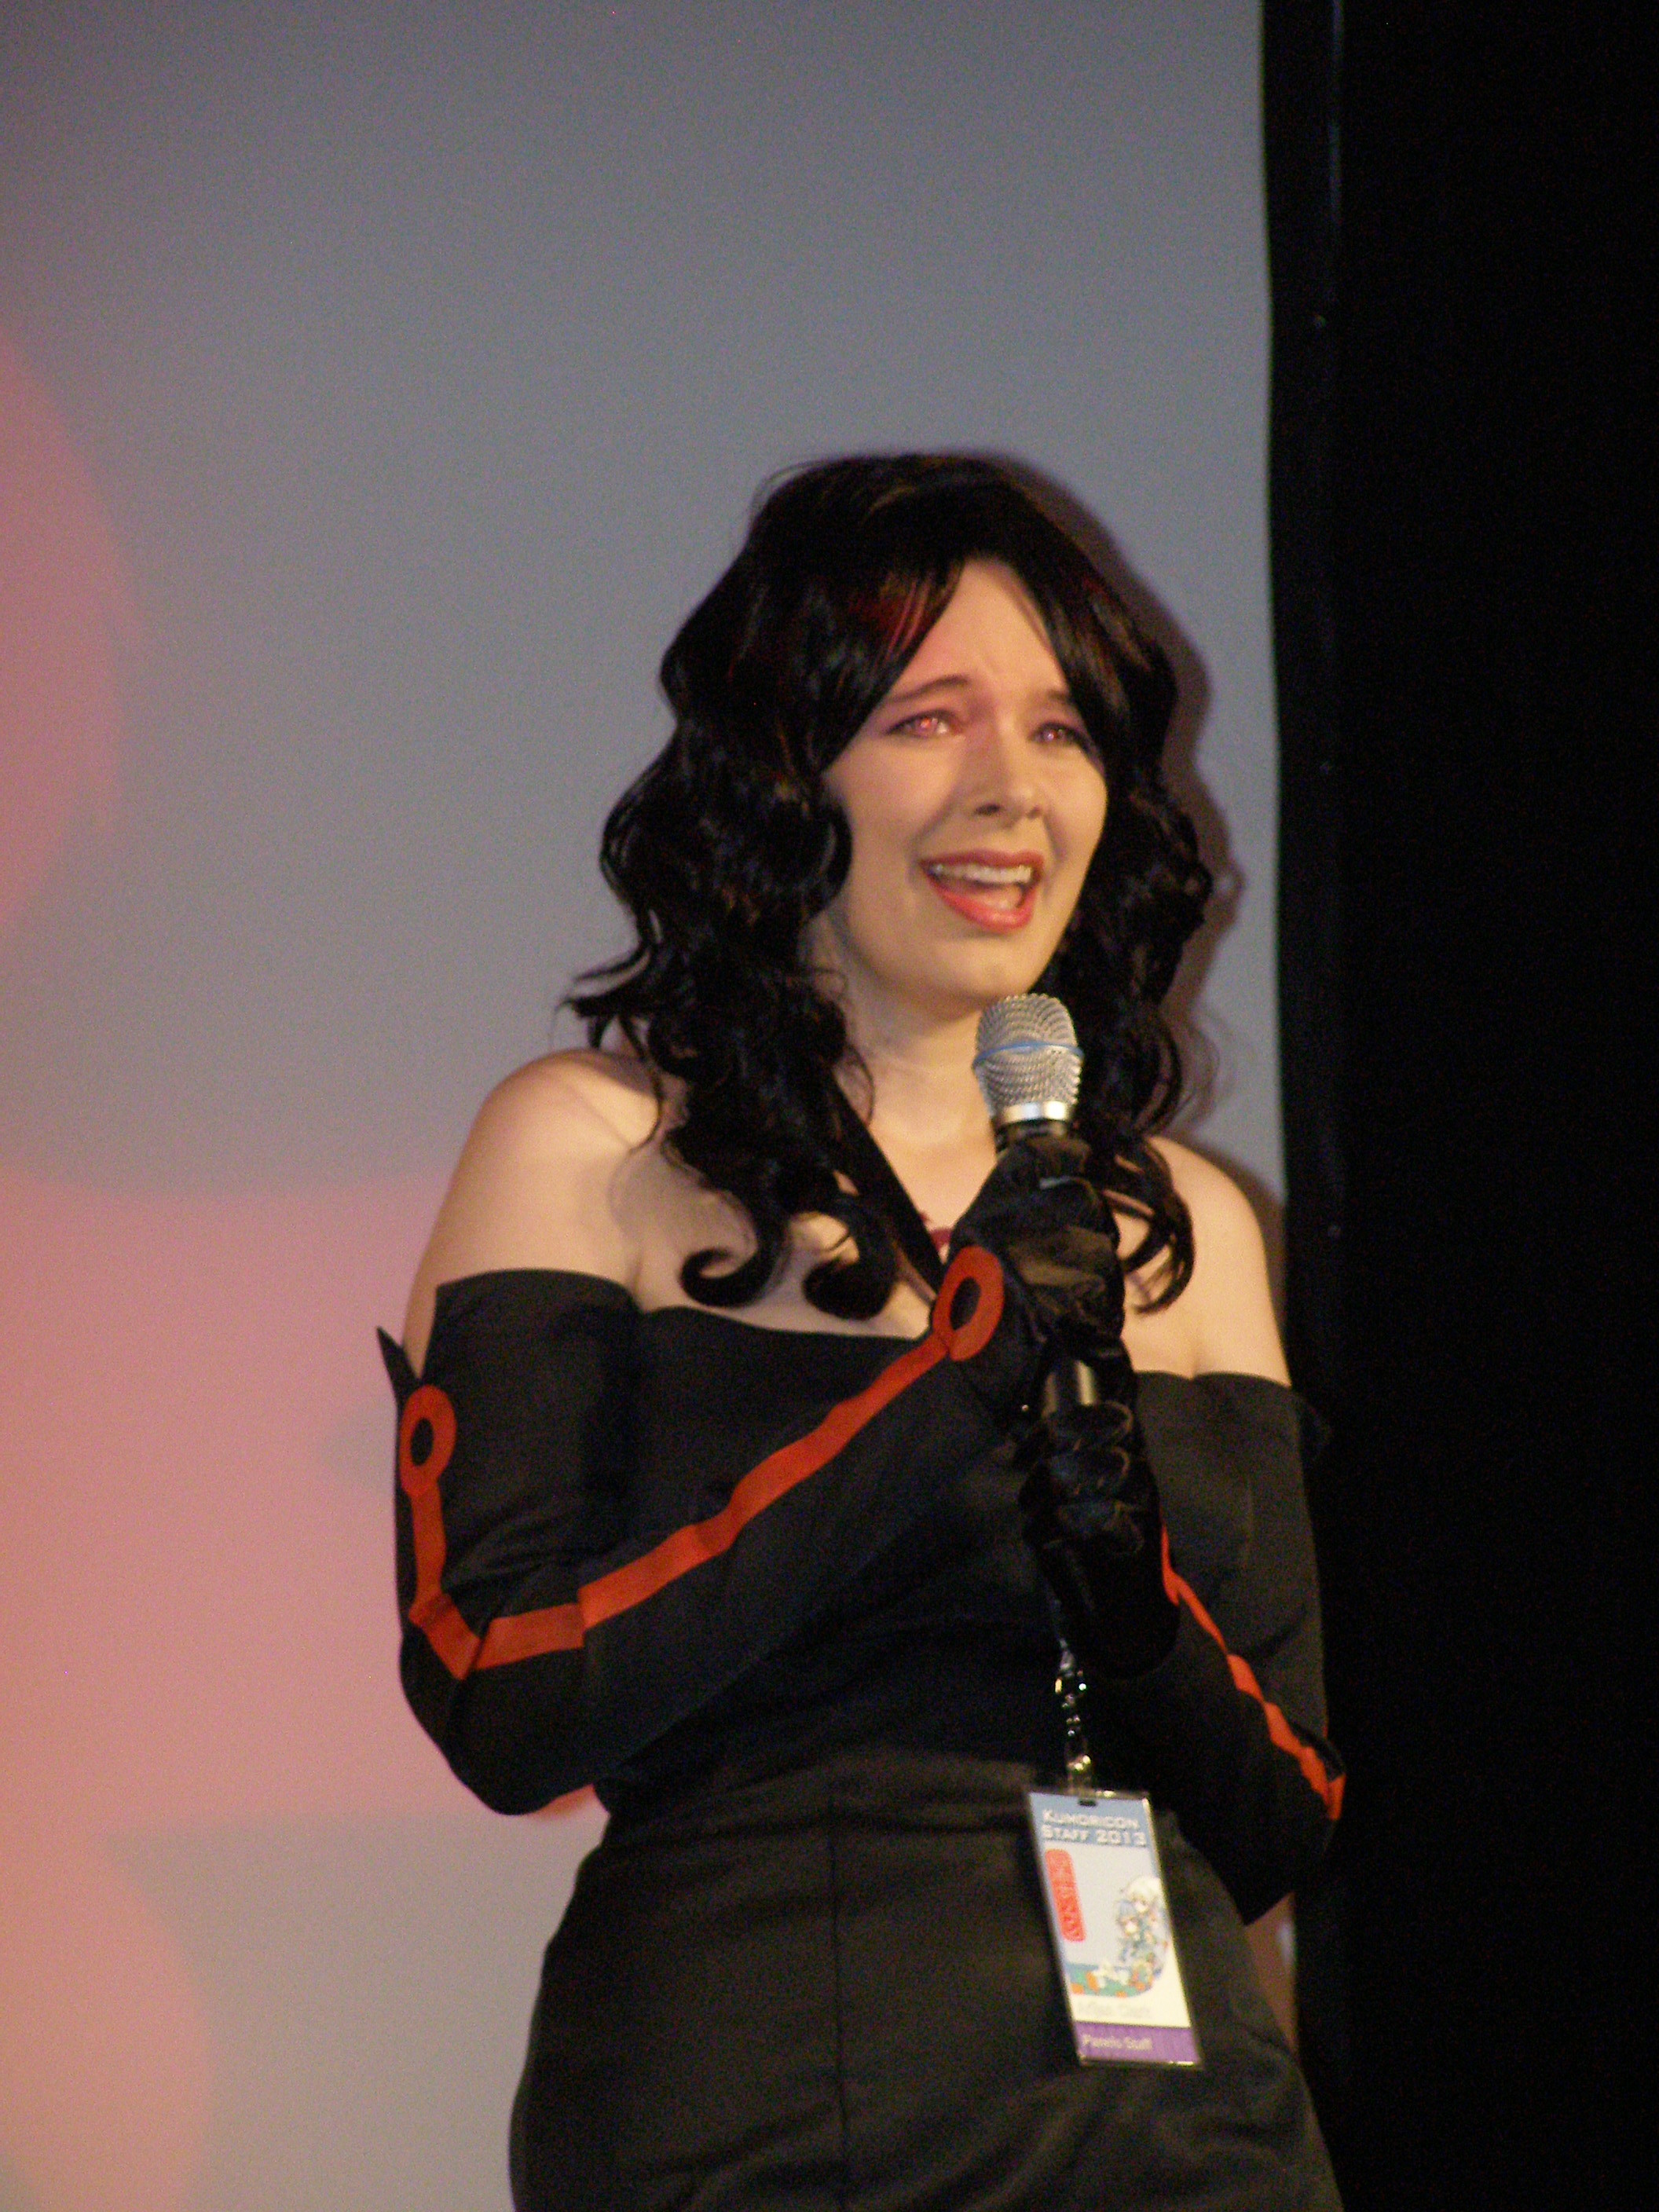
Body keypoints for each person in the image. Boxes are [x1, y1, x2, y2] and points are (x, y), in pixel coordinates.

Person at [383, 454, 1344, 2210]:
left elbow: (1279, 1818)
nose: (1013, 789)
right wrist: (949, 1388)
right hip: (760, 2098)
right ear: (784, 771)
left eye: (1062, 730)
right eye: (929, 719)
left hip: (1179, 2120)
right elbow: (503, 1695)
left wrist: (1123, 1578)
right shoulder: (596, 1148)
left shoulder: (1185, 1222)